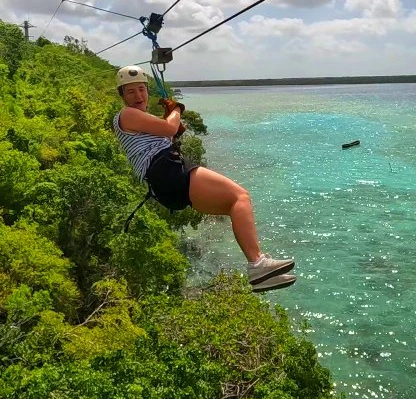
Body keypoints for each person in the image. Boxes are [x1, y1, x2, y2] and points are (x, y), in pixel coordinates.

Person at [112, 65, 296, 293]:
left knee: (233, 206)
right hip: (167, 170)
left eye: (142, 89)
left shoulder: (139, 117)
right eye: (131, 92)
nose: (139, 96)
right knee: (240, 196)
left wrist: (172, 123)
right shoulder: (127, 114)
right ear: (122, 96)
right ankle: (258, 264)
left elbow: (167, 132)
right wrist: (176, 109)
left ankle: (260, 271)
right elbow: (170, 128)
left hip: (163, 183)